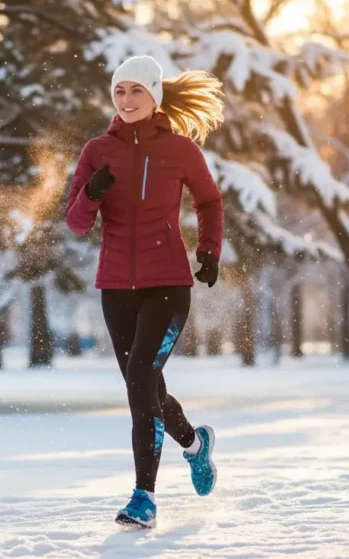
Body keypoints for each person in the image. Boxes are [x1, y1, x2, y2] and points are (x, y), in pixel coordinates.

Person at [65, 55, 225, 528]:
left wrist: (210, 250)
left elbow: (210, 200)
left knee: (139, 379)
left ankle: (144, 497)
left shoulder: (180, 150)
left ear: (154, 95)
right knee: (147, 386)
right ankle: (195, 444)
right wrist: (91, 192)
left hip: (169, 286)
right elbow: (75, 223)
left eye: (136, 90)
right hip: (116, 289)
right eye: (119, 91)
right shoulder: (97, 149)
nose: (127, 100)